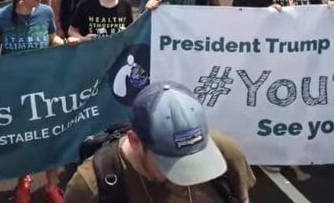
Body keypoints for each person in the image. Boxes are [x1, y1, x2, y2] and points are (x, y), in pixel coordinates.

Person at [64, 81, 254, 203]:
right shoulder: (92, 186)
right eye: (171, 164)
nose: (188, 177)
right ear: (136, 142)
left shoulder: (226, 154)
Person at [0, 0, 65, 203]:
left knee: (51, 134)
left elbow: (52, 39)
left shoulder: (46, 12)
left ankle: (52, 185)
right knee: (24, 136)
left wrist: (66, 44)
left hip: (45, 85)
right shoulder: (1, 17)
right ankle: (24, 178)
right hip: (16, 88)